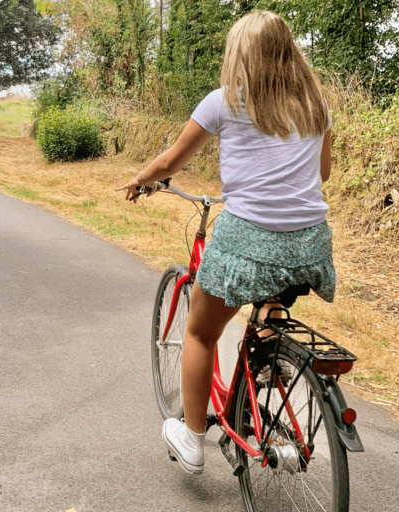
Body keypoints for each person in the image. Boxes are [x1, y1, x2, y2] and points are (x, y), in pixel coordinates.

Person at [114, 10, 335, 475]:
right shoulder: (316, 104)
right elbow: (322, 174)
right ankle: (272, 360)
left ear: (241, 55)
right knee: (272, 292)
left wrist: (141, 179)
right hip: (311, 242)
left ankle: (193, 440)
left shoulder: (224, 102)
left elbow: (172, 159)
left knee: (200, 332)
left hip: (248, 239)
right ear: (287, 51)